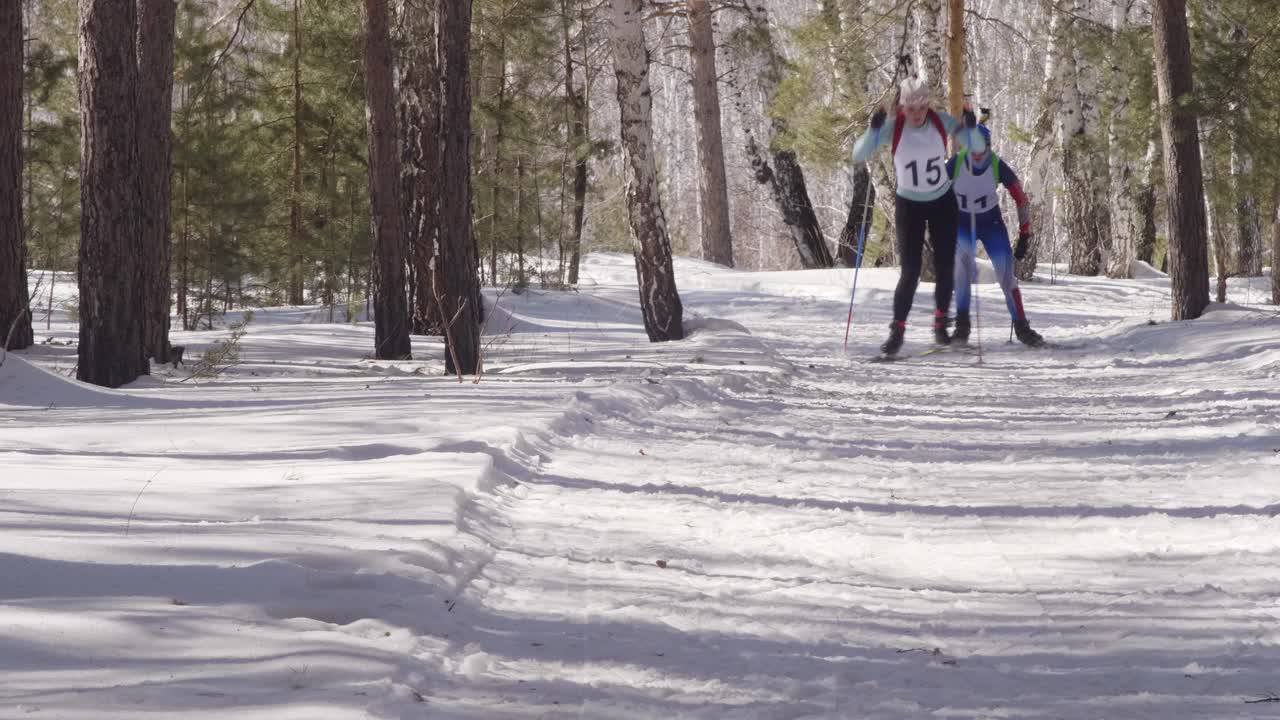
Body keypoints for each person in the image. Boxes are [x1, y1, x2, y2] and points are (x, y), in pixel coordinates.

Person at [852, 76, 984, 357]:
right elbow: (859, 152)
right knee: (910, 271)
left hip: (942, 201)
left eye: (921, 108)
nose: (916, 114)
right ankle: (897, 332)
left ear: (928, 105)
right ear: (902, 107)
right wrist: (872, 132)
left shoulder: (941, 122)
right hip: (909, 204)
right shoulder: (894, 127)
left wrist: (971, 128)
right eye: (910, 109)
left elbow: (976, 147)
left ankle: (940, 326)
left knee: (944, 265)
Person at [947, 123, 1045, 347]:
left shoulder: (996, 164)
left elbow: (1021, 198)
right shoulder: (955, 163)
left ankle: (1022, 326)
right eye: (973, 149)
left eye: (983, 149)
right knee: (961, 272)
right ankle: (962, 328)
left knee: (1005, 274)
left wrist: (1025, 234)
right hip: (963, 224)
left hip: (990, 223)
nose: (978, 155)